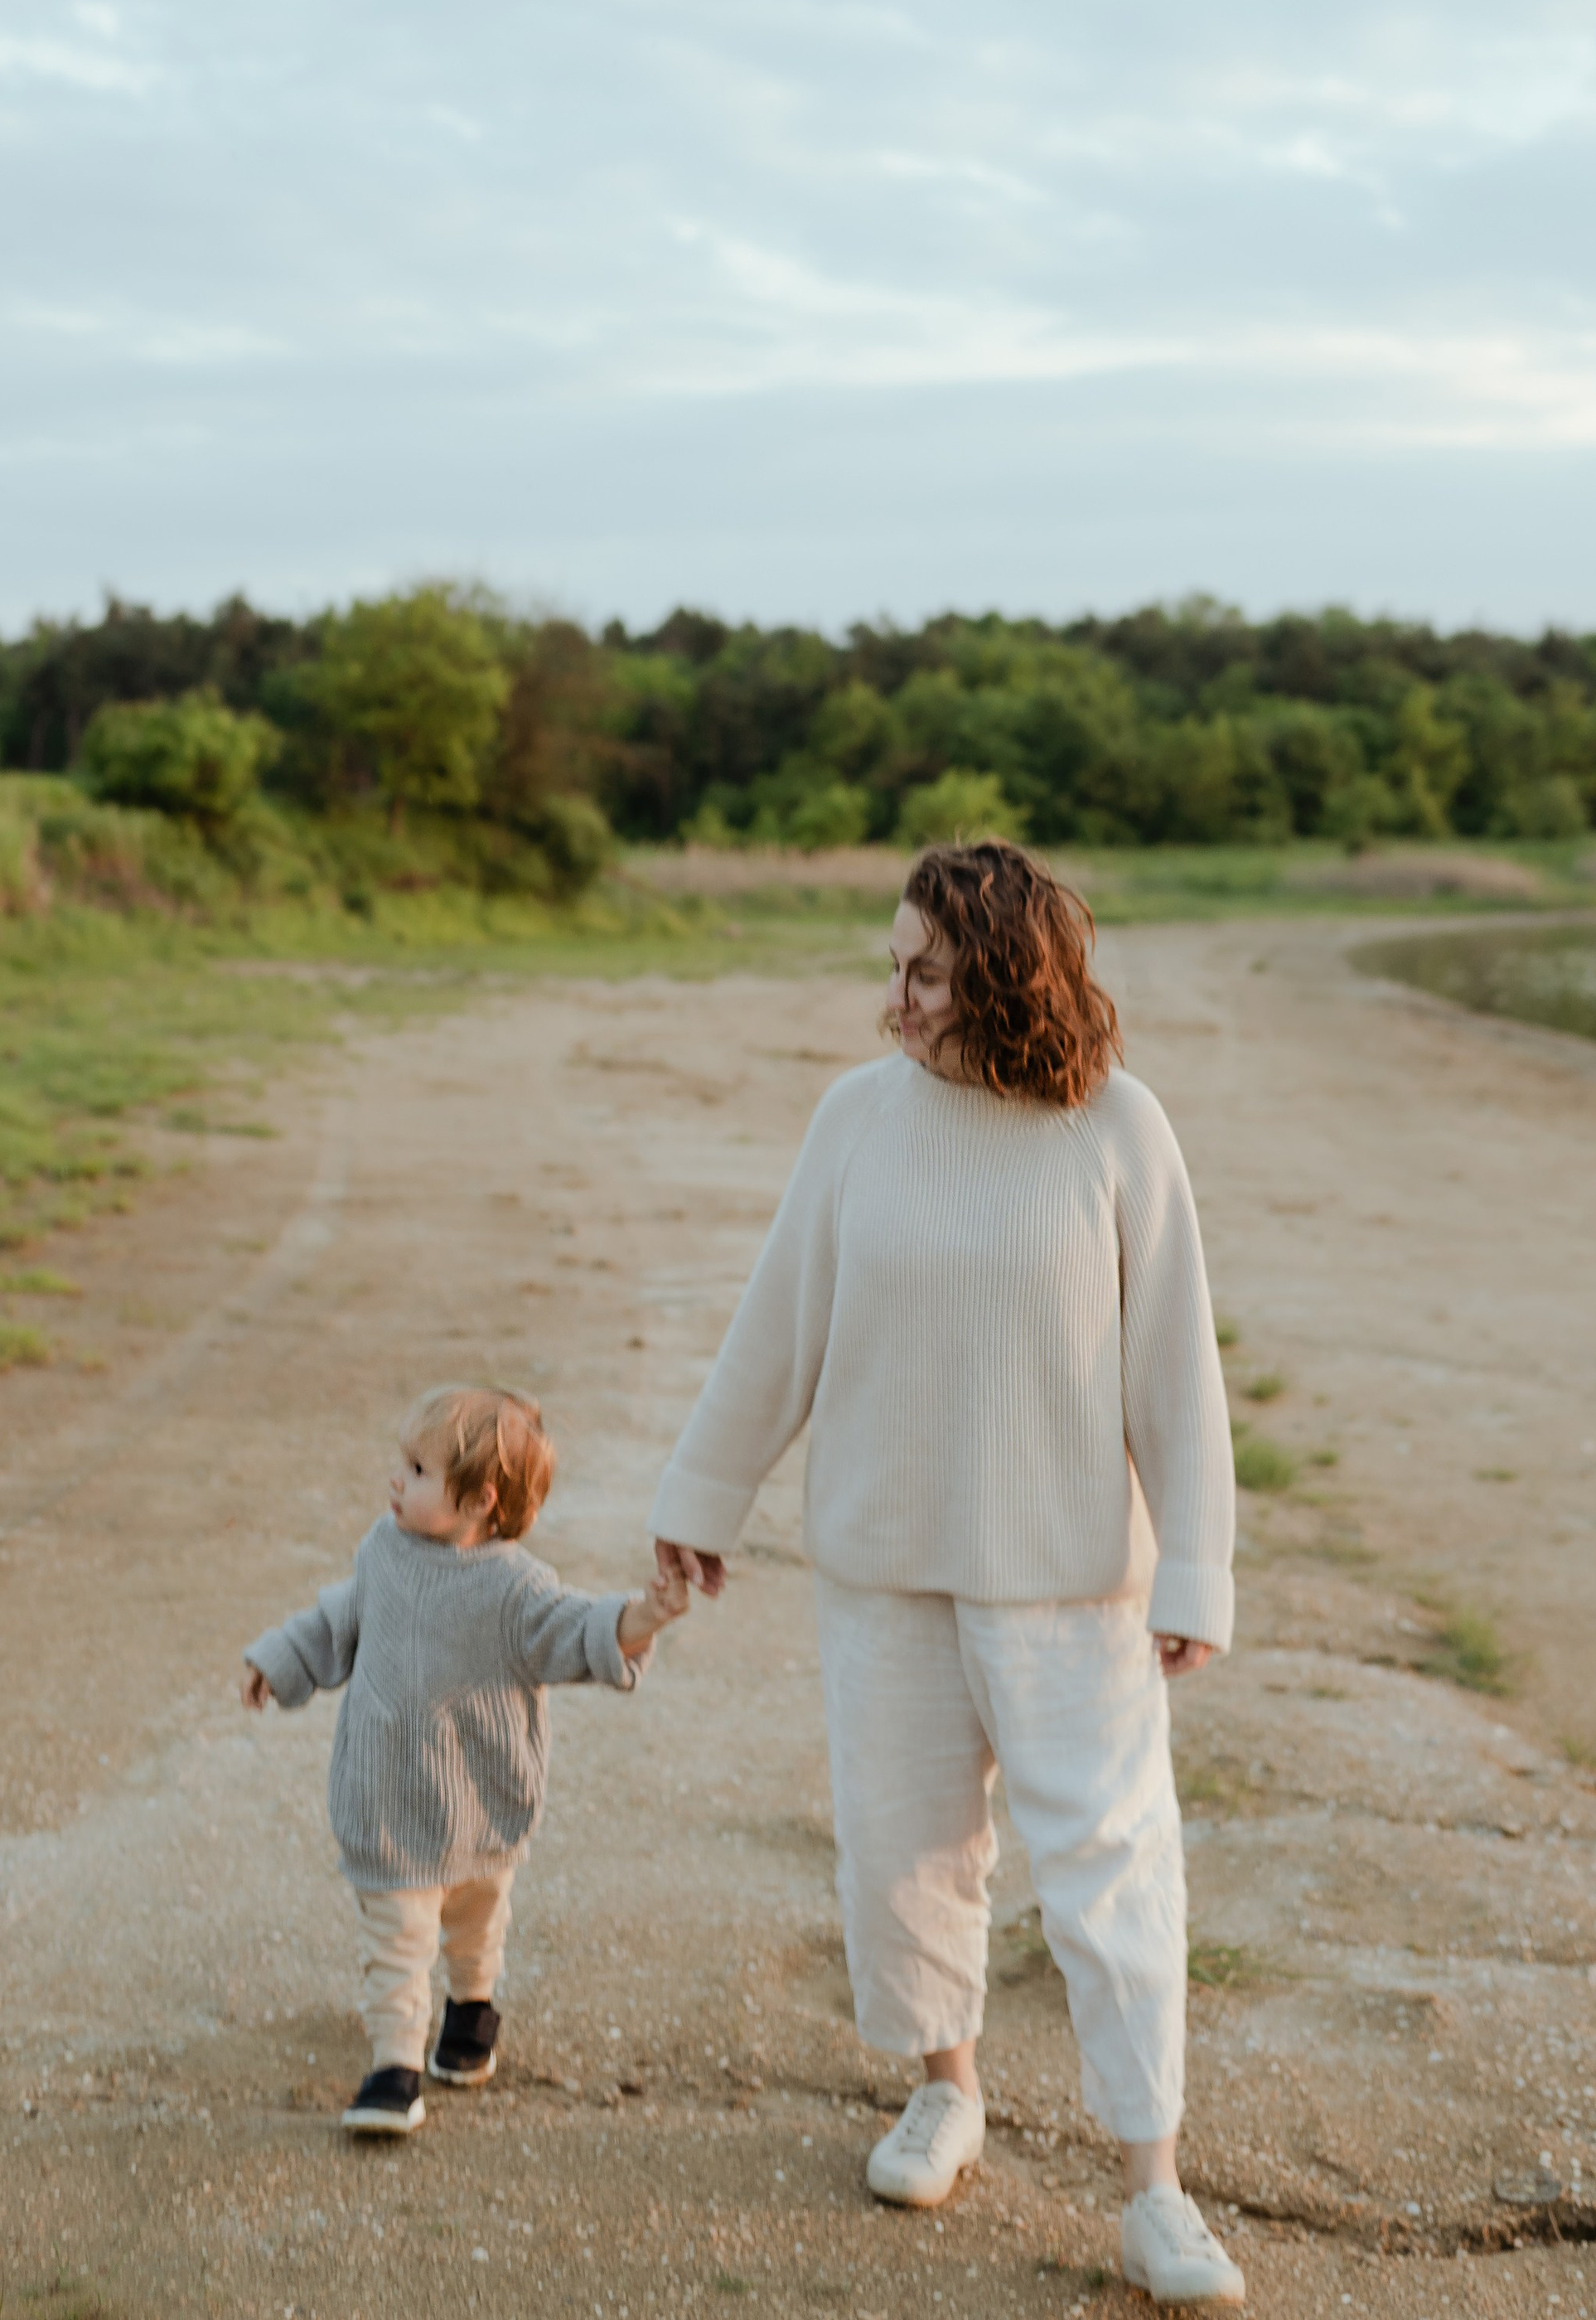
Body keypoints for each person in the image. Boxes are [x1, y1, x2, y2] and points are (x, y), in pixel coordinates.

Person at [650, 841, 1244, 2304]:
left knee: (1111, 1876)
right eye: (894, 965)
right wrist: (701, 1496)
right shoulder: (856, 1120)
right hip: (882, 1564)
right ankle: (947, 2090)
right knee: (904, 1854)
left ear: (1002, 979)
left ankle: (1154, 2187)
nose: (894, 998)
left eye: (924, 971)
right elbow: (778, 1322)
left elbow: (1177, 1371)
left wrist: (1198, 1574)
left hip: (1070, 1582)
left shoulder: (1121, 1131)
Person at [242, 1381, 689, 2135]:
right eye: (403, 1464)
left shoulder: (516, 1589)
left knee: (477, 1924)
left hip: (482, 1797)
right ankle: (395, 2065)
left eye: (417, 1471)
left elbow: (579, 1629)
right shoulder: (383, 1552)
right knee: (397, 1941)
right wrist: (280, 1657)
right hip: (388, 1798)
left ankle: (472, 2012)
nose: (396, 1479)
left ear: (481, 1501)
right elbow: (339, 1616)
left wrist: (644, 1615)